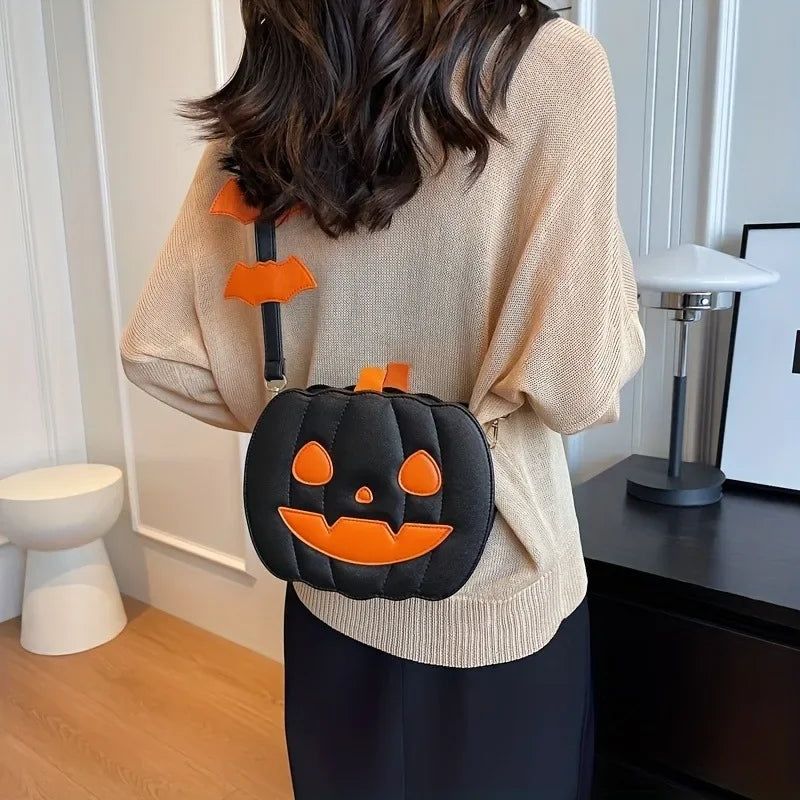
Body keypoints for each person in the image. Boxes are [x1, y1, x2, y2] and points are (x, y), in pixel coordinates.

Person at [121, 1, 645, 797]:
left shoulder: (272, 98)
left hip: (329, 582)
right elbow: (577, 383)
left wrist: (307, 409)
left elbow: (158, 352)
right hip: (500, 600)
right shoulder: (553, 68)